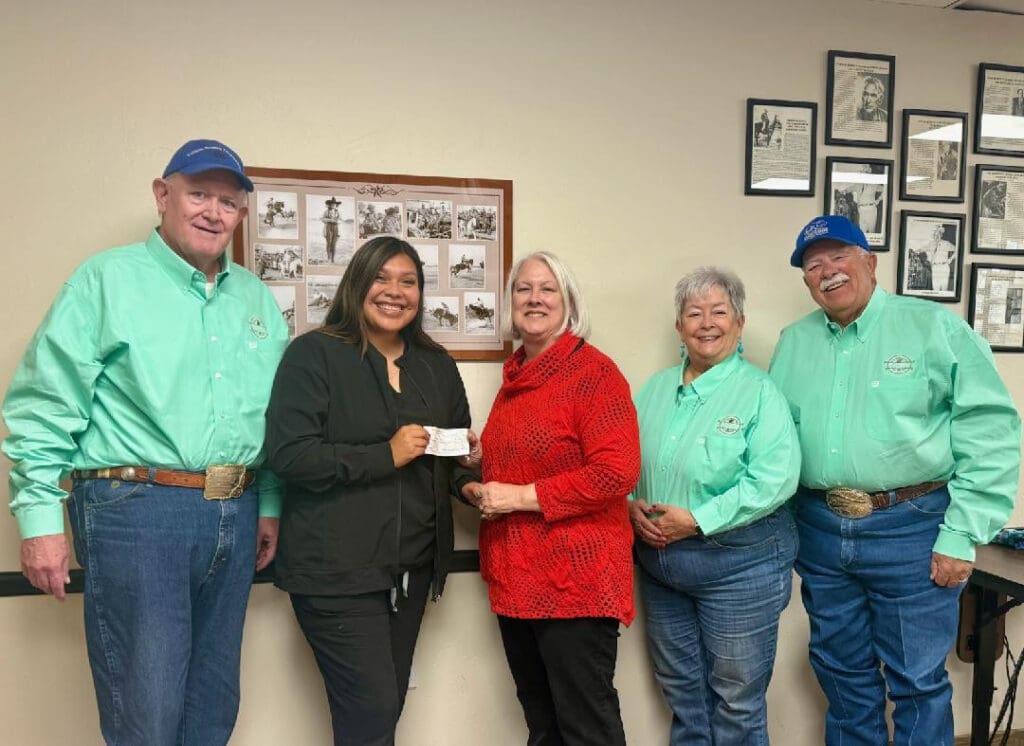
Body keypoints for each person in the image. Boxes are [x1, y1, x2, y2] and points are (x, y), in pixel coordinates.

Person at [1, 138, 289, 744]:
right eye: (198, 194)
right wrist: (39, 520)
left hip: (236, 511)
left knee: (213, 705)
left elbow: (274, 415)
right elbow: (44, 403)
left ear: (241, 215)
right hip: (137, 511)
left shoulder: (256, 298)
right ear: (163, 196)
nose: (213, 212)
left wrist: (268, 502)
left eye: (228, 202)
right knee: (148, 708)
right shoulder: (106, 280)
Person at [770, 215, 1021, 746]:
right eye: (813, 264)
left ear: (870, 262)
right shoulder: (794, 343)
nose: (828, 271)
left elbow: (990, 431)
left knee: (916, 680)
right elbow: (777, 441)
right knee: (841, 675)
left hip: (912, 528)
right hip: (820, 529)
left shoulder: (933, 328)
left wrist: (962, 532)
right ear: (806, 280)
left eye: (840, 256)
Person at [264, 236, 478, 746]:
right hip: (336, 573)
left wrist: (468, 473)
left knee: (384, 710)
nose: (394, 292)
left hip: (412, 570)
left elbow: (448, 459)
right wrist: (385, 454)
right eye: (381, 278)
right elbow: (290, 456)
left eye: (408, 282)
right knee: (373, 711)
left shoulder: (436, 365)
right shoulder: (313, 355)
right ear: (356, 283)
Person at [460, 251, 640, 746]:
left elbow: (616, 472)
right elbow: (534, 456)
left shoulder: (594, 374)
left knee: (586, 728)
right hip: (518, 578)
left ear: (569, 303)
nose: (534, 298)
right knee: (543, 726)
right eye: (523, 289)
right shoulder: (515, 378)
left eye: (547, 289)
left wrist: (518, 497)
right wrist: (481, 462)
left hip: (576, 582)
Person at [630, 267, 800, 745]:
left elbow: (774, 480)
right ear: (679, 326)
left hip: (739, 570)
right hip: (662, 567)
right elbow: (623, 459)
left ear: (740, 323)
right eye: (694, 313)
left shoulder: (760, 393)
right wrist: (628, 504)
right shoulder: (655, 390)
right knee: (683, 693)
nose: (707, 323)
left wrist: (698, 520)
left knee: (736, 699)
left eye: (719, 312)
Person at [922, 224, 956, 293]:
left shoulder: (946, 243)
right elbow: (921, 249)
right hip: (935, 268)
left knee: (944, 289)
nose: (936, 236)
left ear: (941, 235)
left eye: (938, 234)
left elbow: (958, 250)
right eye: (934, 234)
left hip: (944, 267)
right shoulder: (931, 244)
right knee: (935, 289)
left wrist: (951, 259)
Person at [321, 196, 342, 263]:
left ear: (336, 205)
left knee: (334, 243)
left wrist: (337, 221)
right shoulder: (326, 211)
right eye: (332, 204)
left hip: (335, 227)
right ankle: (328, 257)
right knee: (328, 242)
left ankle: (333, 258)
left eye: (334, 204)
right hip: (328, 227)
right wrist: (330, 220)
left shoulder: (337, 212)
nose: (333, 205)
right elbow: (322, 219)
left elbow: (340, 220)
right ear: (330, 205)